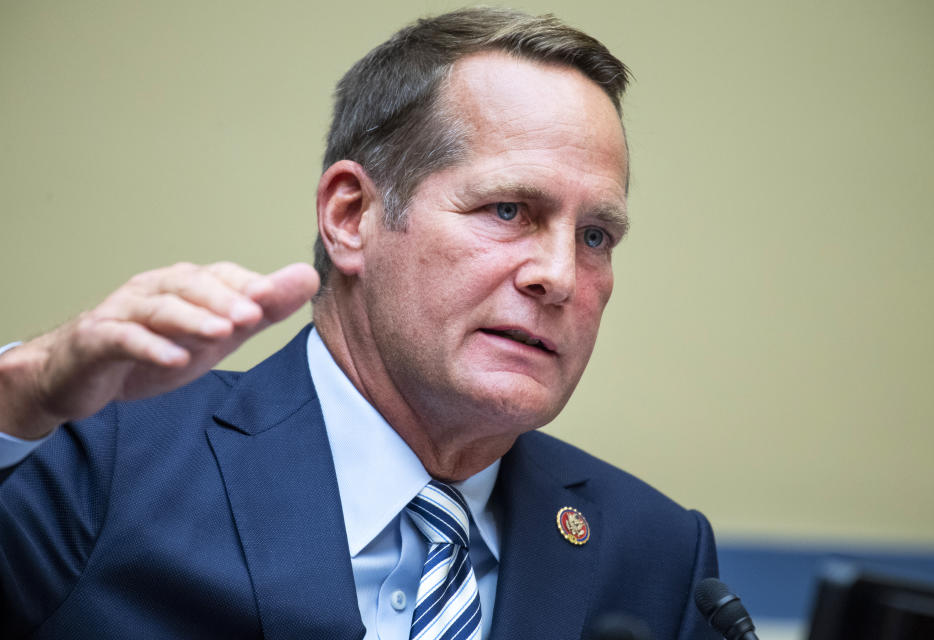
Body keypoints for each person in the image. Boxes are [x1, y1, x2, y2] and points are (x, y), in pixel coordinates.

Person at [0, 8, 719, 639]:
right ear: (352, 217)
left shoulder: (656, 552)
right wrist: (19, 393)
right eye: (509, 210)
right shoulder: (109, 459)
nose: (559, 275)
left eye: (596, 235)